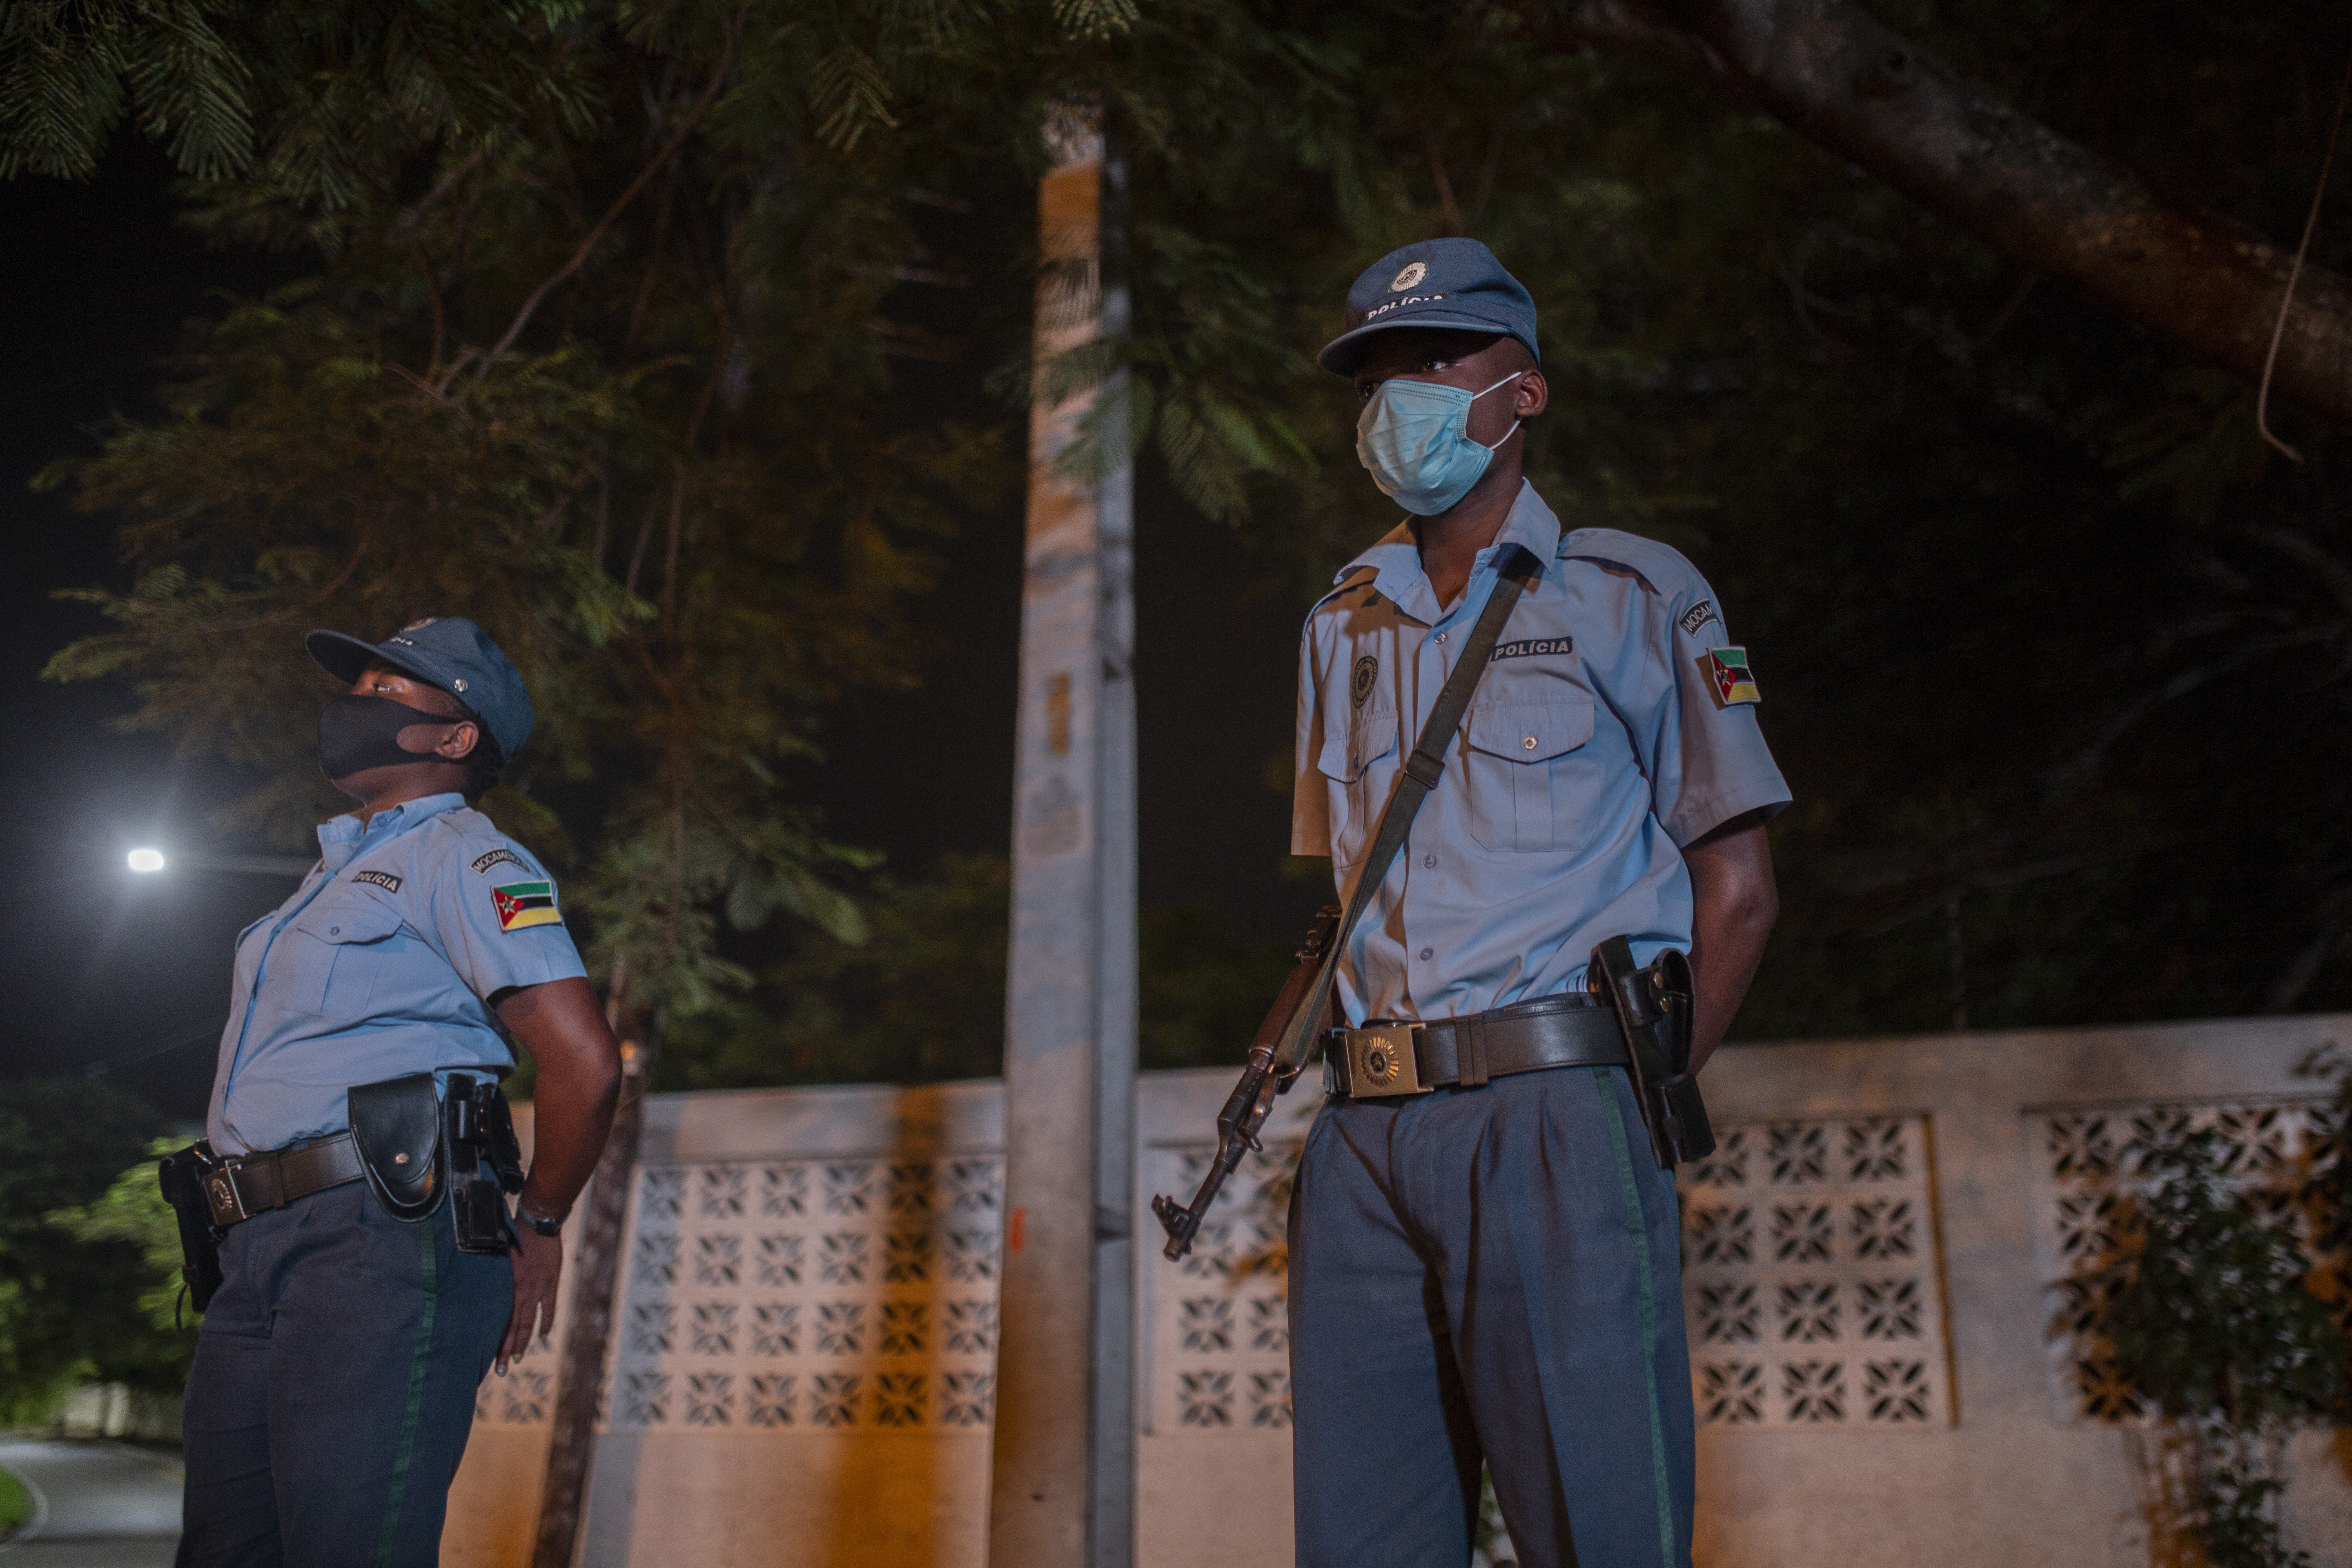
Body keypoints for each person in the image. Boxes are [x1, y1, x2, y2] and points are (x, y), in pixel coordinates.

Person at [1285, 238, 1788, 1568]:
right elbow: (1343, 893)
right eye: (1382, 369)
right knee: (1360, 1541)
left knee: (1597, 1528)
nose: (1407, 391)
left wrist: (1626, 1098)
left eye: (1441, 356)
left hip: (1559, 1110)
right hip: (1363, 1139)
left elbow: (1736, 889)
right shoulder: (1340, 624)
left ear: (1526, 393)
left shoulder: (1633, 593)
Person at [177, 616, 622, 1567]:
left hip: (378, 1239)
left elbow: (585, 1060)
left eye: (387, 693)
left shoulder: (468, 857)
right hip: (252, 1246)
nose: (352, 709)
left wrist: (537, 1224)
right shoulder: (327, 879)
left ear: (454, 738)